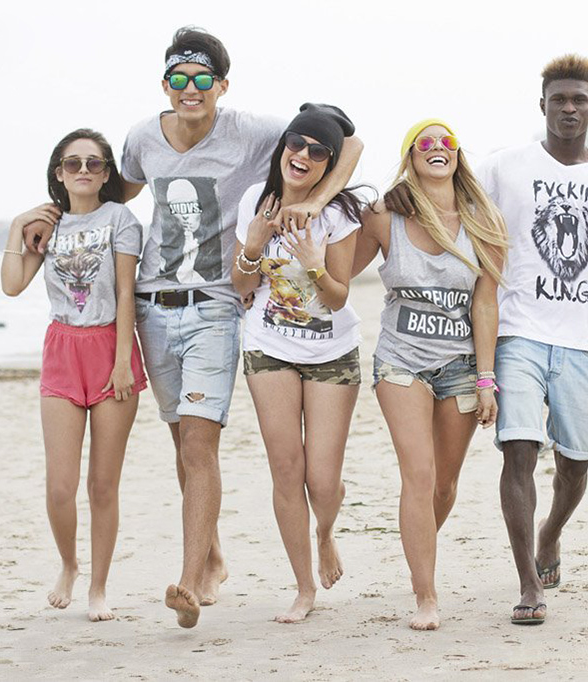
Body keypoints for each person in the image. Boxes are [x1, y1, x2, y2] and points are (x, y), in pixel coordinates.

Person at [23, 26, 363, 629]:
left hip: (217, 304)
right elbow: (107, 192)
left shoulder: (254, 132)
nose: (190, 89)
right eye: (179, 78)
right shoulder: (139, 139)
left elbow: (350, 142)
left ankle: (186, 580)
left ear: (221, 85)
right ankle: (211, 556)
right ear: (165, 84)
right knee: (184, 442)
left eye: (203, 79)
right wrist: (46, 210)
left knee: (201, 443)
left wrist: (315, 201)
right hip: (154, 306)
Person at [467, 55, 588, 625]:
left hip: (582, 338)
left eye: (579, 100)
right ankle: (527, 585)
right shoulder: (504, 166)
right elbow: (451, 190)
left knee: (576, 465)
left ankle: (551, 533)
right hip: (518, 331)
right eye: (559, 99)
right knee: (519, 452)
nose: (569, 108)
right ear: (542, 105)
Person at [356, 119, 507, 630]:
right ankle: (426, 596)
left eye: (447, 143)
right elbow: (340, 269)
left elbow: (486, 303)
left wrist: (487, 379)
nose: (437, 148)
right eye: (426, 143)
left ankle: (417, 544)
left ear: (457, 156)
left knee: (443, 486)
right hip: (400, 362)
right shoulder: (385, 215)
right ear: (411, 157)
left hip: (461, 368)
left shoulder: (484, 220)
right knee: (418, 477)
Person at [1, 129, 147, 622]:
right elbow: (13, 285)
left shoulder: (121, 220)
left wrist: (124, 360)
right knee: (60, 486)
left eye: (93, 162)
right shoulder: (46, 226)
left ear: (106, 172)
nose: (82, 170)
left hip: (110, 347)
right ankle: (69, 564)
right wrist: (17, 225)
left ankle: (99, 588)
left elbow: (126, 293)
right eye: (72, 163)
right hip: (62, 349)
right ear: (58, 173)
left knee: (102, 485)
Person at [232, 103, 365, 623]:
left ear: (329, 164)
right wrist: (254, 245)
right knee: (287, 470)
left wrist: (312, 263)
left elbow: (335, 298)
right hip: (268, 347)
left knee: (323, 481)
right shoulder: (255, 200)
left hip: (331, 352)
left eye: (317, 151)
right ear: (283, 146)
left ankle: (326, 532)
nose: (302, 155)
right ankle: (304, 586)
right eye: (296, 144)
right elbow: (241, 286)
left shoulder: (338, 213)